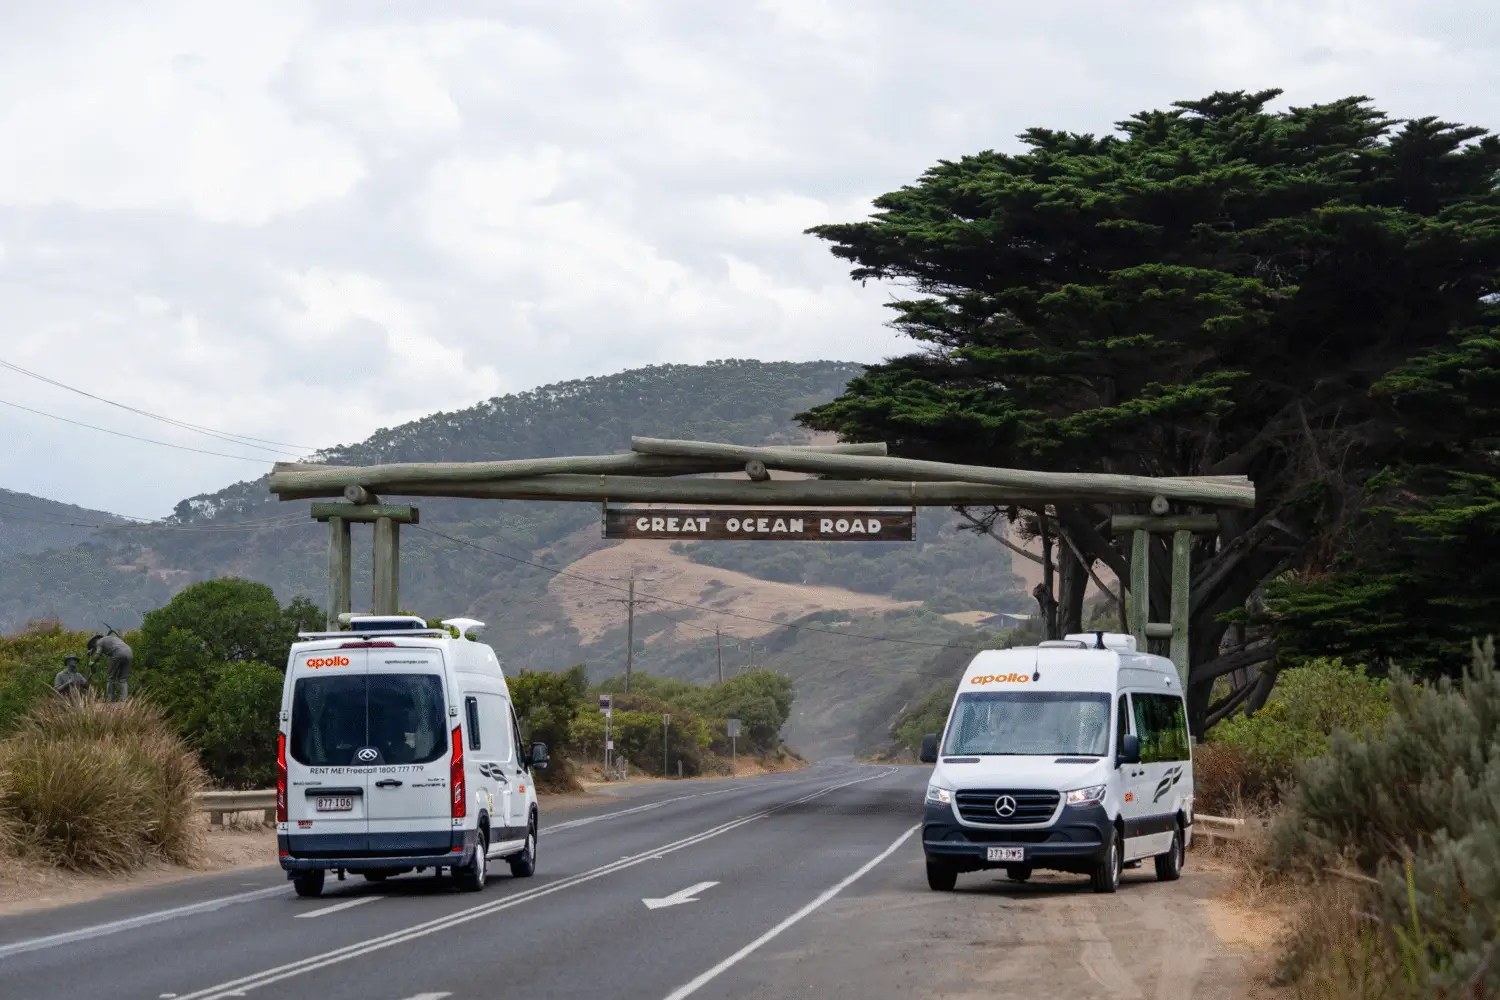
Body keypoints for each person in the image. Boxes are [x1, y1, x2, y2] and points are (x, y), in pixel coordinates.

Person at [87, 631, 133, 701]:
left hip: (118, 653)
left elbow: (97, 655)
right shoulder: (109, 639)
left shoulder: (99, 642)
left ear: (94, 642)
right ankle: (124, 698)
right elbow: (98, 650)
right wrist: (92, 651)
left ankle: (110, 698)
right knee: (123, 679)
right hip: (129, 652)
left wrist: (93, 662)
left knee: (110, 677)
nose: (94, 647)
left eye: (93, 646)